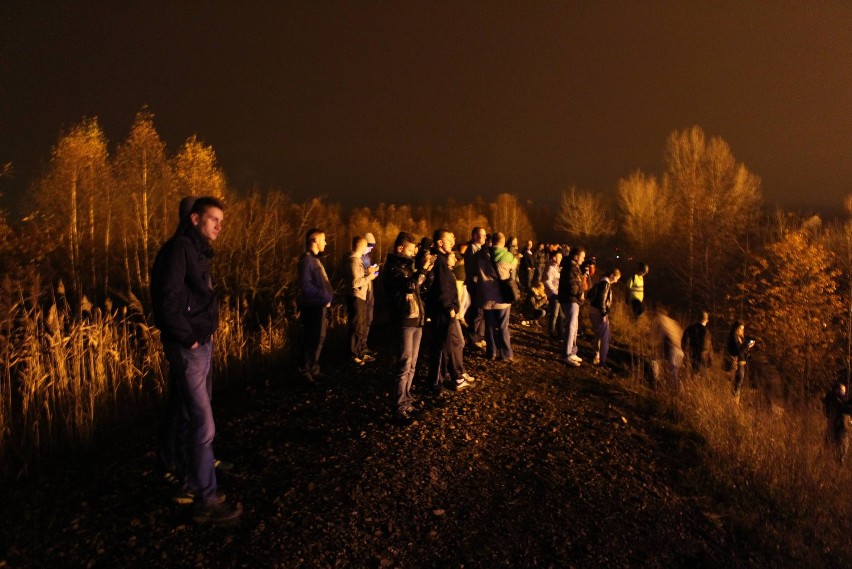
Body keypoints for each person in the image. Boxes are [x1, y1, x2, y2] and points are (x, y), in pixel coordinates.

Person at [151, 196, 242, 524]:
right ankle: (206, 500)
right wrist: (188, 337)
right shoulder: (178, 250)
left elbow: (194, 298)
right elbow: (167, 299)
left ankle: (190, 483)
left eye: (221, 219)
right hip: (189, 348)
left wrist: (205, 334)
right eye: (213, 218)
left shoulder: (196, 251)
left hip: (201, 344)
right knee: (203, 423)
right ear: (194, 219)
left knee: (193, 418)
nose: (219, 225)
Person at [381, 232, 432, 425]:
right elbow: (409, 285)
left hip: (415, 318)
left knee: (412, 364)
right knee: (403, 364)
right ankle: (398, 406)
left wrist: (423, 270)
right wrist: (422, 272)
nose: (413, 253)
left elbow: (417, 287)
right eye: (411, 250)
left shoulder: (408, 266)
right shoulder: (393, 268)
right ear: (400, 248)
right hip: (403, 319)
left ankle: (407, 399)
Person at [426, 230, 473, 393]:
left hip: (445, 310)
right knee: (443, 346)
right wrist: (450, 308)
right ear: (440, 242)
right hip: (443, 312)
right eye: (449, 239)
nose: (453, 242)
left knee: (448, 345)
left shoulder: (442, 261)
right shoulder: (439, 262)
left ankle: (448, 377)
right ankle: (437, 383)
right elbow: (442, 289)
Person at [297, 228, 334, 382]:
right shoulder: (307, 260)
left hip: (320, 306)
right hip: (313, 307)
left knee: (318, 338)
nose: (325, 242)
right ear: (314, 240)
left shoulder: (316, 260)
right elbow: (306, 285)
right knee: (311, 339)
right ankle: (304, 371)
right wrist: (324, 296)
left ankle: (313, 368)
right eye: (323, 239)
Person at [475, 232, 516, 361]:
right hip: (502, 297)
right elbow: (513, 270)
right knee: (503, 326)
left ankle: (491, 352)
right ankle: (506, 353)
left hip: (486, 296)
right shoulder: (507, 256)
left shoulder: (480, 255)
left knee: (489, 326)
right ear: (503, 242)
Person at [345, 235, 379, 365]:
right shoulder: (353, 261)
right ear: (362, 246)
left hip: (360, 295)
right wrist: (369, 277)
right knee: (356, 326)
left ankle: (359, 352)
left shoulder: (357, 260)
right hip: (356, 296)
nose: (368, 249)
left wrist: (368, 272)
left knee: (360, 325)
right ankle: (353, 354)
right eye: (367, 246)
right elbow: (355, 282)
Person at [587, 268, 621, 368]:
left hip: (593, 311)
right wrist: (604, 314)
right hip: (599, 313)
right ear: (612, 275)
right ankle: (603, 361)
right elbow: (601, 300)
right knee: (605, 337)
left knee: (598, 335)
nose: (617, 281)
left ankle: (596, 357)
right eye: (617, 278)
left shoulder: (601, 282)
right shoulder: (605, 284)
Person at [558, 246, 585, 366]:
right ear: (576, 257)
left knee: (574, 327)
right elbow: (573, 285)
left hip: (573, 300)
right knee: (571, 326)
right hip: (570, 299)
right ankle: (567, 354)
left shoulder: (574, 267)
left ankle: (572, 351)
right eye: (582, 257)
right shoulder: (570, 268)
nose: (583, 260)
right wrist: (580, 293)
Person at [463, 227, 488, 349]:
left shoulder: (478, 249)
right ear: (475, 236)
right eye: (482, 235)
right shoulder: (472, 250)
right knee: (477, 312)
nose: (485, 238)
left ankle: (479, 336)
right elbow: (473, 269)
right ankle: (472, 339)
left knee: (482, 312)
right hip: (475, 285)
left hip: (480, 285)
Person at [823, 381, 852, 465]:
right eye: (842, 391)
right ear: (837, 390)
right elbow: (844, 409)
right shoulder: (834, 399)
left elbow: (843, 406)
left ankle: (830, 464)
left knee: (831, 447)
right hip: (839, 428)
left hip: (834, 426)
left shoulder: (832, 399)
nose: (844, 393)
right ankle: (837, 466)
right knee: (841, 449)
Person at [727, 321, 756, 399]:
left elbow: (742, 351)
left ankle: (735, 401)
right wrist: (747, 346)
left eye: (743, 329)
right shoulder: (733, 337)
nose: (742, 331)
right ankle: (734, 402)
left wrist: (748, 349)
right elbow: (738, 351)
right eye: (741, 329)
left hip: (741, 363)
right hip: (737, 364)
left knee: (738, 384)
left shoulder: (739, 338)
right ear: (737, 329)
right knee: (737, 384)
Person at [361, 232, 378, 356]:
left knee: (368, 320)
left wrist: (374, 272)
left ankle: (363, 345)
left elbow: (369, 274)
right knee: (362, 322)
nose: (371, 249)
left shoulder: (367, 257)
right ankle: (359, 347)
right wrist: (369, 272)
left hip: (369, 291)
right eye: (369, 246)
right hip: (362, 293)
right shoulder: (358, 258)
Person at [543, 249, 563, 338]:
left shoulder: (556, 268)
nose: (561, 259)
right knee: (554, 314)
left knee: (561, 315)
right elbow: (547, 281)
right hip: (555, 295)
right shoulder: (551, 268)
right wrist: (554, 291)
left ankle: (560, 332)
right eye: (559, 257)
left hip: (559, 294)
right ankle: (551, 332)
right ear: (554, 258)